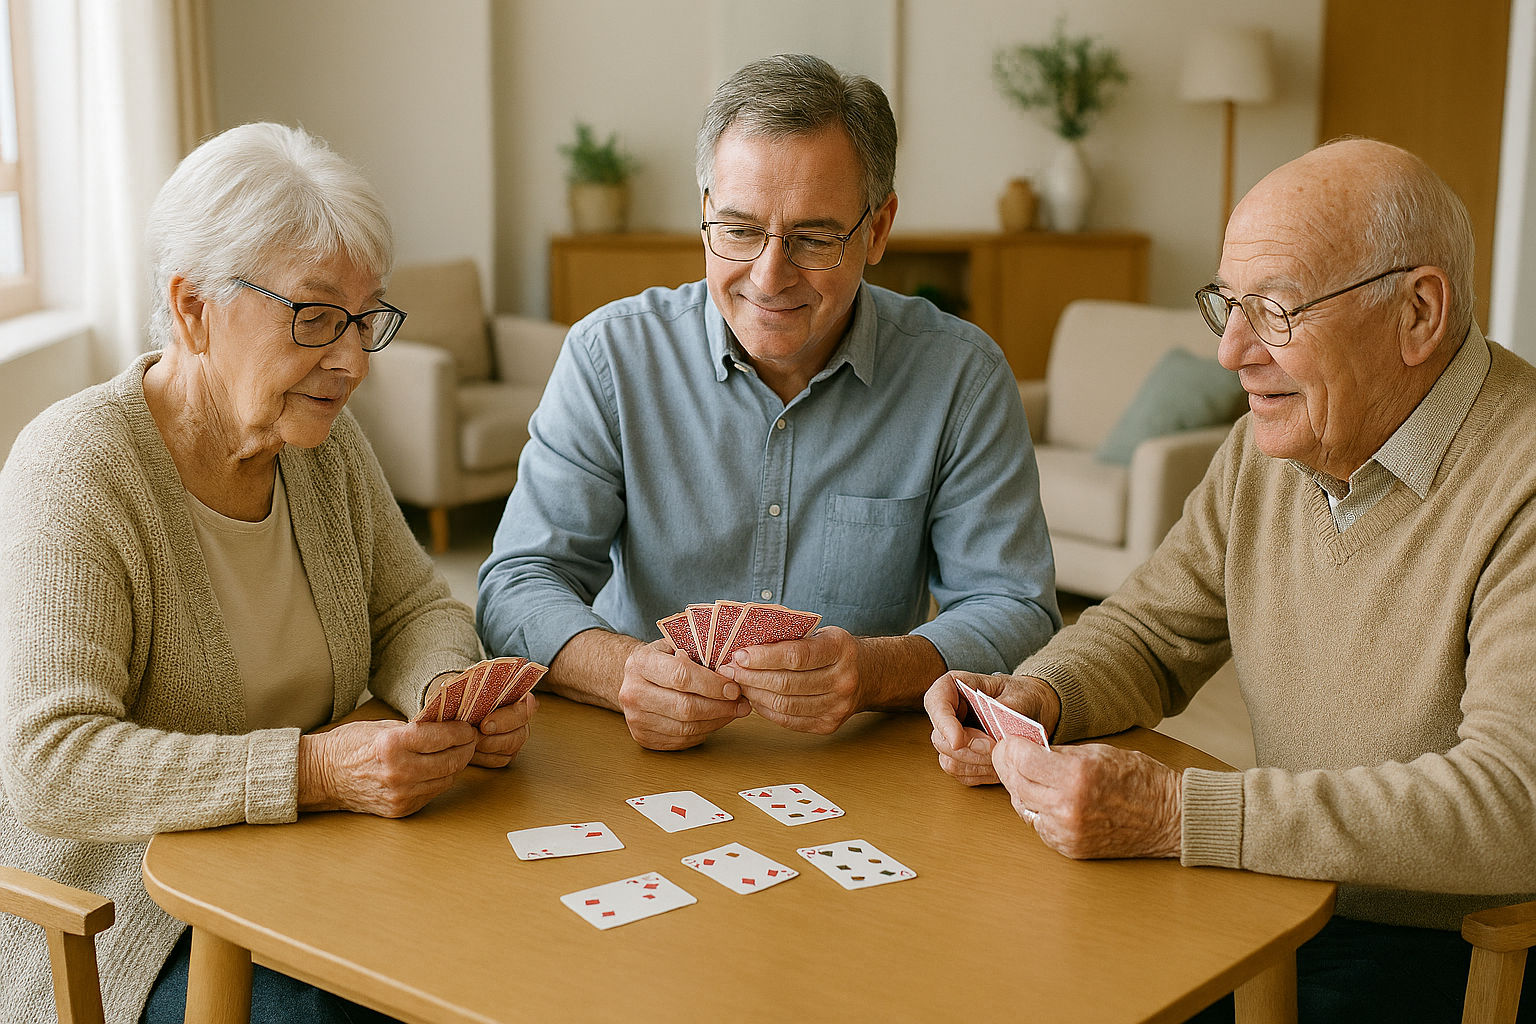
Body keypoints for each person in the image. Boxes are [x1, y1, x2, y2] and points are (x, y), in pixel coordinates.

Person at [926, 138, 1536, 1023]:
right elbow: (1150, 631)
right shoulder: (1272, 448)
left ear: (1418, 312)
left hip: (1457, 946)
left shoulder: (1522, 478)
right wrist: (1041, 693)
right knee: (1000, 964)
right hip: (1284, 891)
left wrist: (1180, 814)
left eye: (1276, 310)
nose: (1231, 351)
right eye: (1227, 306)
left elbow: (1515, 803)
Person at [0, 123, 535, 1024]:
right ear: (193, 308)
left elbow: (413, 607)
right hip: (130, 919)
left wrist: (447, 695)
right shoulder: (76, 467)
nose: (352, 361)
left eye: (364, 319)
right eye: (315, 317)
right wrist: (313, 770)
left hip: (305, 866)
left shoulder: (320, 441)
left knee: (505, 951)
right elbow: (52, 762)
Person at [478, 53, 1058, 751]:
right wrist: (620, 672)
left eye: (814, 238)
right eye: (739, 229)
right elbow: (516, 585)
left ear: (877, 230)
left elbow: (1015, 607)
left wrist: (877, 672)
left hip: (869, 761)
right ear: (704, 214)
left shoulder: (963, 377)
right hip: (643, 758)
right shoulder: (609, 357)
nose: (769, 275)